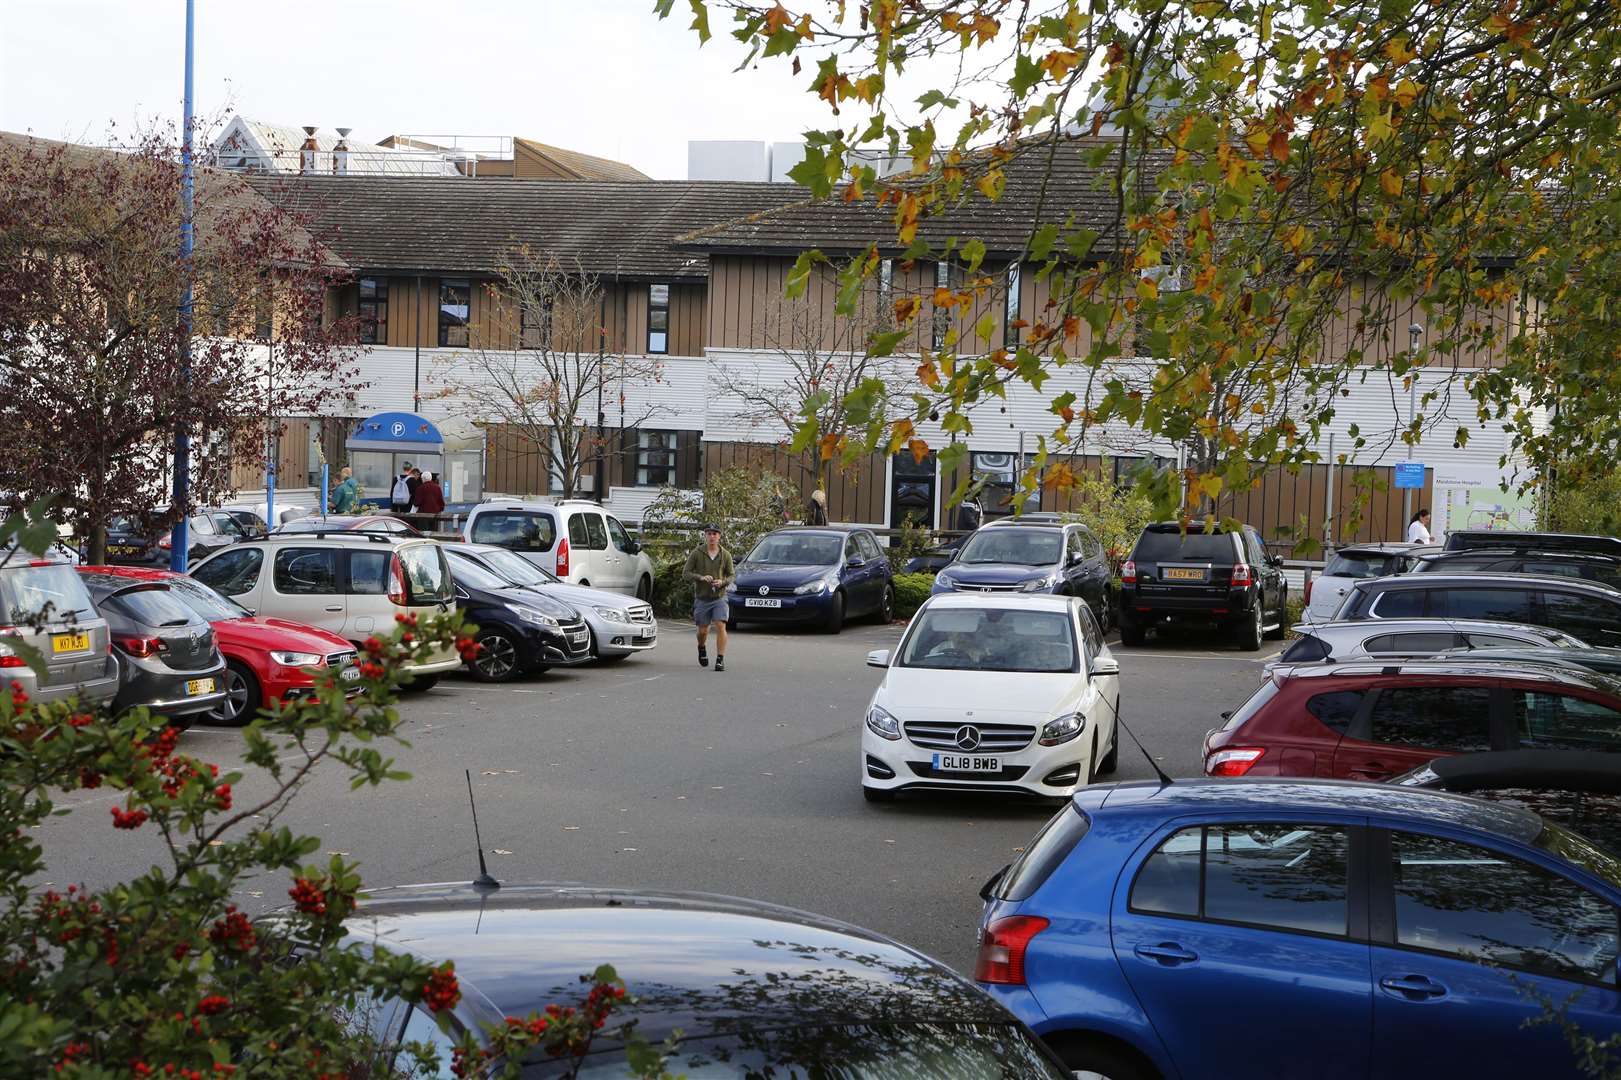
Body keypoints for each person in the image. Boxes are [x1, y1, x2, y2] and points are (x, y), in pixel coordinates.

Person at [683, 523, 734, 672]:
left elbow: (732, 575)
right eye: (709, 534)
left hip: (719, 596)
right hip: (702, 597)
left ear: (719, 536)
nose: (712, 537)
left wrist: (723, 582)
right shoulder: (697, 553)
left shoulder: (725, 555)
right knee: (703, 631)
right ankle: (701, 647)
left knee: (720, 625)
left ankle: (720, 659)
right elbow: (686, 573)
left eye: (715, 534)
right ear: (705, 536)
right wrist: (700, 577)